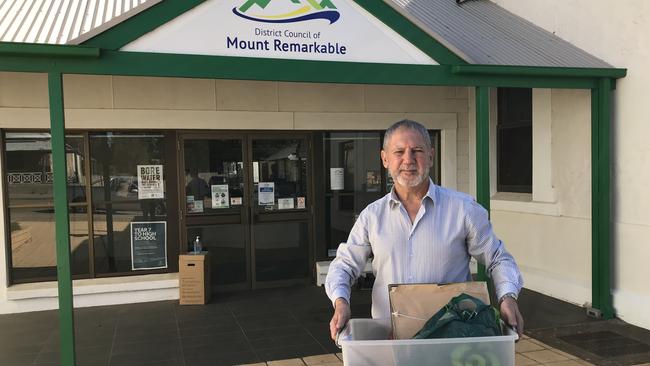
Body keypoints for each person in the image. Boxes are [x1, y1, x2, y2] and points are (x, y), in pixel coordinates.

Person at [325, 120, 524, 341]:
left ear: (430, 155)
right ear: (385, 159)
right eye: (399, 151)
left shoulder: (463, 209)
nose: (408, 160)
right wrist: (340, 302)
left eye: (417, 151)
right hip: (391, 339)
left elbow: (498, 258)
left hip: (451, 337)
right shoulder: (371, 216)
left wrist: (508, 297)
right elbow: (344, 264)